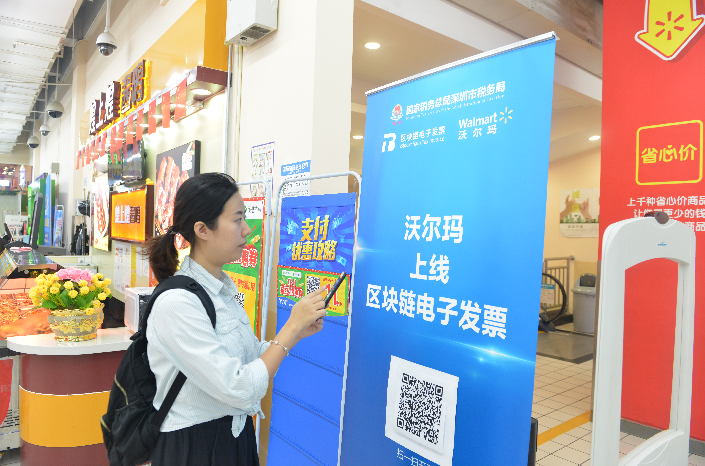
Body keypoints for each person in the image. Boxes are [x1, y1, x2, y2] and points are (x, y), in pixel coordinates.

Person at [146, 173, 326, 466]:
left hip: (235, 437)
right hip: (195, 448)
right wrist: (291, 327)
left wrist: (296, 331)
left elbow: (247, 356)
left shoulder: (222, 288)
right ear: (203, 229)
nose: (247, 230)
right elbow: (240, 387)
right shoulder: (177, 303)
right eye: (237, 219)